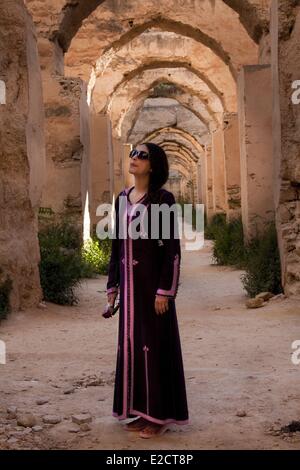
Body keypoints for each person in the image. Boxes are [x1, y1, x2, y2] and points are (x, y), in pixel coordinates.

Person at [105, 142, 189, 438]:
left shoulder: (163, 199)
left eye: (142, 156)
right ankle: (140, 410)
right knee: (132, 346)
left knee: (154, 347)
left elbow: (172, 251)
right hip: (129, 290)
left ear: (153, 165)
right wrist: (112, 284)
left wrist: (165, 291)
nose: (134, 159)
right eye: (133, 154)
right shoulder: (122, 199)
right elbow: (116, 246)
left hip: (152, 289)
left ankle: (159, 415)